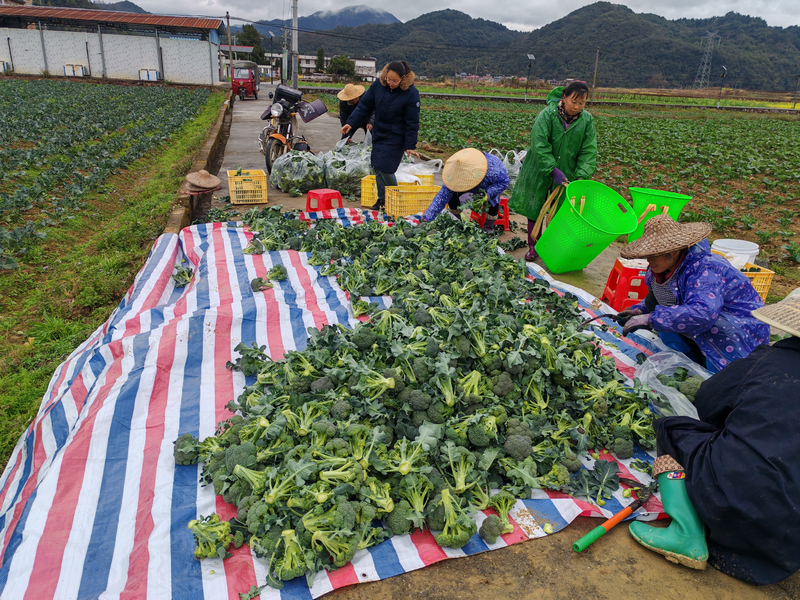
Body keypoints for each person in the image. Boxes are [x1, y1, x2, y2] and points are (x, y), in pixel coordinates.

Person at [629, 288, 800, 584]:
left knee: (673, 428)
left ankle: (686, 532)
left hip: (733, 503)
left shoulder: (768, 360)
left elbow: (708, 403)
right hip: (787, 548)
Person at [617, 215, 770, 373]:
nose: (649, 259)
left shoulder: (706, 269)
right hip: (698, 323)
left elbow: (703, 313)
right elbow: (659, 297)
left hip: (735, 328)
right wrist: (639, 311)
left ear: (673, 251)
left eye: (655, 254)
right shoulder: (660, 270)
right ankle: (690, 362)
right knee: (662, 315)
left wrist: (651, 318)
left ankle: (715, 371)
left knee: (715, 378)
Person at [510, 81, 597, 260]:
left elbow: (588, 150)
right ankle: (534, 246)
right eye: (574, 101)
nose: (577, 106)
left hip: (568, 171)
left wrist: (582, 174)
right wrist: (551, 169)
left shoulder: (586, 120)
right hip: (539, 168)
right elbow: (539, 143)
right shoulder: (547, 115)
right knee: (536, 206)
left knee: (559, 210)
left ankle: (551, 247)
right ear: (564, 98)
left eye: (582, 103)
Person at [341, 60, 421, 210]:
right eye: (388, 79)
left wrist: (410, 145)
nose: (391, 83)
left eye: (395, 81)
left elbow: (412, 122)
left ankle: (395, 199)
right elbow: (364, 106)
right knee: (377, 167)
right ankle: (382, 200)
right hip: (379, 133)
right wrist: (350, 122)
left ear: (403, 78)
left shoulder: (411, 93)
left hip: (396, 136)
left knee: (386, 168)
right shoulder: (379, 85)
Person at [421, 148, 510, 232]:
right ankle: (456, 222)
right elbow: (442, 196)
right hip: (471, 185)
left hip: (488, 187)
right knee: (452, 194)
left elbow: (504, 182)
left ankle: (488, 229)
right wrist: (427, 218)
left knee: (493, 201)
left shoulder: (492, 169)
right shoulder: (456, 173)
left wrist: (489, 192)